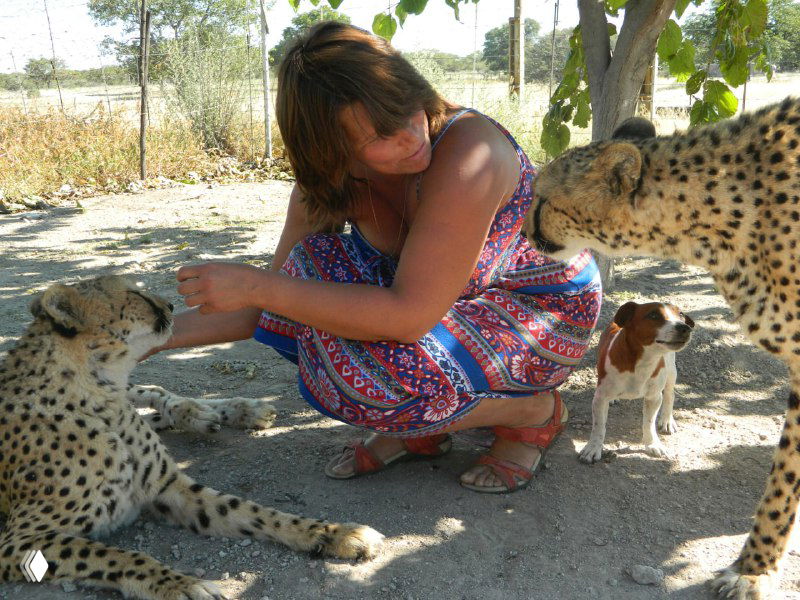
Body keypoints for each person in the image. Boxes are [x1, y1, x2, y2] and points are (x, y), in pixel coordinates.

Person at [157, 21, 602, 493]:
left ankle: (530, 411)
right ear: (329, 148)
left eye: (409, 108)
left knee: (370, 380)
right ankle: (425, 426)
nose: (412, 134)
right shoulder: (328, 184)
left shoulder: (472, 152)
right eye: (381, 134)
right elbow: (269, 308)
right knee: (307, 272)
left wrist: (256, 285)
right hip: (451, 310)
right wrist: (140, 339)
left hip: (542, 313)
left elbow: (406, 317)